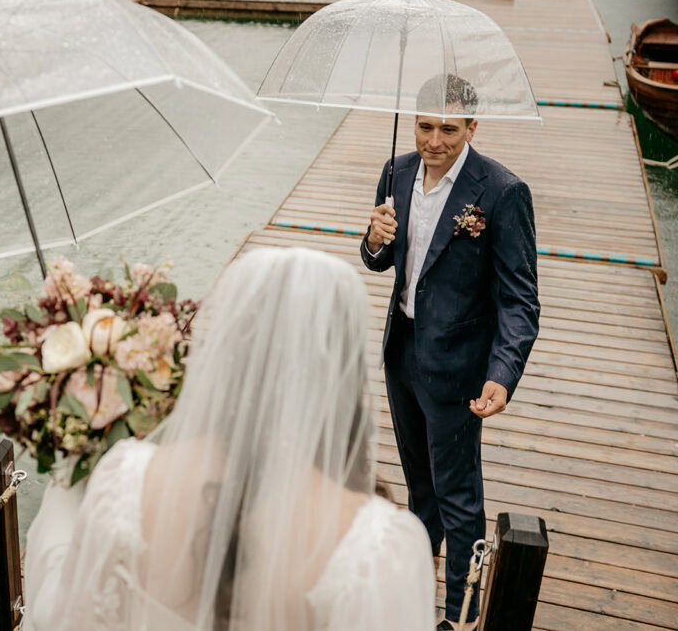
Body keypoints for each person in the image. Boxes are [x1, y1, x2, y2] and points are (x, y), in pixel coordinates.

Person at [23, 247, 436, 631]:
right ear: (343, 373)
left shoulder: (124, 480)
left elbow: (70, 616)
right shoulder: (377, 550)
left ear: (223, 353)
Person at [361, 74, 540, 630]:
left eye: (448, 129)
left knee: (458, 498)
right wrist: (374, 239)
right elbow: (381, 262)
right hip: (404, 353)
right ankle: (415, 597)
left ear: (472, 127)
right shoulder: (397, 171)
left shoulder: (502, 192)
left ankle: (459, 620)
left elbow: (520, 299)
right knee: (420, 491)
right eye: (425, 126)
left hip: (460, 369)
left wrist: (502, 374)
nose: (434, 140)